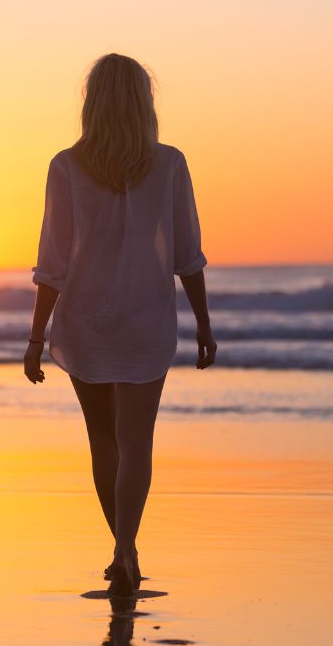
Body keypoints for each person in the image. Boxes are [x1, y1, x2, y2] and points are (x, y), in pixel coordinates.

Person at [24, 53, 216, 598]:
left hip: (86, 318)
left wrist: (36, 338)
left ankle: (125, 550)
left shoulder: (66, 166)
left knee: (102, 444)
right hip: (145, 319)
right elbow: (187, 253)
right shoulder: (170, 163)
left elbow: (53, 263)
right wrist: (204, 323)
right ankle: (125, 548)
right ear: (142, 102)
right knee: (137, 444)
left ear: (92, 103)